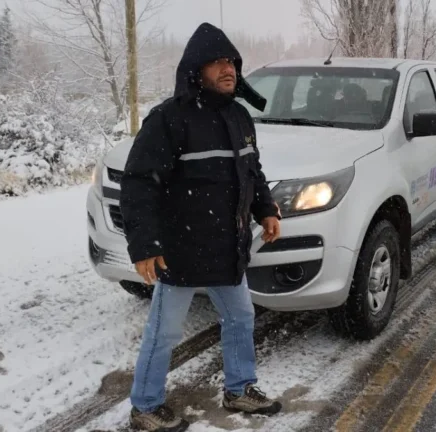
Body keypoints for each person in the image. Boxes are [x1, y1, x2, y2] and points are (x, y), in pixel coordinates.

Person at [120, 22, 282, 432]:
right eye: (217, 62)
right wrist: (144, 245)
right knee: (165, 331)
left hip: (229, 248)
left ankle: (240, 387)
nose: (228, 68)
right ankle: (146, 406)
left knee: (242, 317)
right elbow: (139, 183)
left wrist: (267, 210)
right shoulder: (169, 119)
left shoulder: (240, 116)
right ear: (196, 69)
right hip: (181, 248)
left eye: (231, 61)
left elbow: (252, 170)